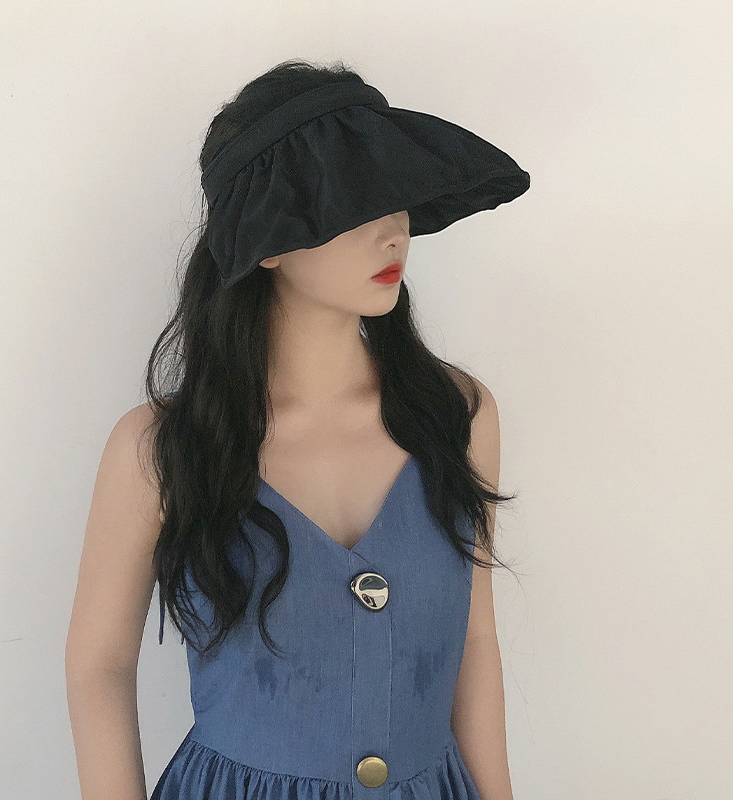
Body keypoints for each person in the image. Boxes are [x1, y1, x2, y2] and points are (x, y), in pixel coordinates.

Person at [65, 57, 529, 800]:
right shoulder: (159, 449)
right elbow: (100, 664)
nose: (394, 231)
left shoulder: (458, 416)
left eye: (395, 196)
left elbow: (474, 639)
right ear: (269, 241)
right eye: (357, 201)